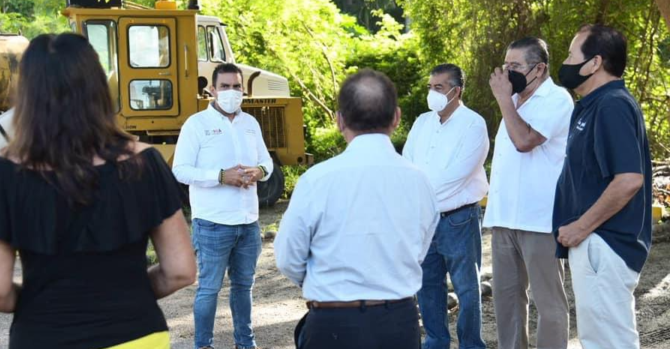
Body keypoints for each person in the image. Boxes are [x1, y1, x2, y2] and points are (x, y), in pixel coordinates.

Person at [0, 33, 197, 349]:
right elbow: (181, 272)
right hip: (137, 334)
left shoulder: (5, 172)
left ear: (28, 95)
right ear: (99, 89)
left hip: (43, 337)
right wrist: (128, 293)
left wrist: (37, 301)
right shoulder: (145, 162)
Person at [275, 69, 440, 349]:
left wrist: (324, 280)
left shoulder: (316, 180)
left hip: (332, 322)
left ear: (339, 120)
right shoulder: (420, 181)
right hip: (398, 322)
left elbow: (288, 257)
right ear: (396, 118)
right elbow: (419, 251)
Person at [553, 24, 651, 349]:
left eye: (571, 55)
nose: (565, 62)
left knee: (608, 343)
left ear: (594, 63)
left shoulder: (612, 105)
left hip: (603, 244)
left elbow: (629, 180)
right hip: (596, 245)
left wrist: (581, 227)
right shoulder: (596, 104)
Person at [173, 63, 273, 349]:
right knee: (209, 290)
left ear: (244, 89)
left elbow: (266, 162)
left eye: (236, 86)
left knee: (244, 287)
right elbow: (180, 170)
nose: (231, 92)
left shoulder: (250, 124)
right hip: (213, 223)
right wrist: (220, 176)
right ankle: (203, 345)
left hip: (247, 222)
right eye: (225, 86)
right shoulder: (196, 125)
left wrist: (259, 172)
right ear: (213, 90)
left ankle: (245, 343)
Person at [483, 37, 573, 349]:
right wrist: (509, 101)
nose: (507, 73)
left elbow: (525, 141)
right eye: (505, 66)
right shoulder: (516, 100)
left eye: (515, 67)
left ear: (540, 68)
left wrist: (503, 100)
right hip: (504, 219)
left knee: (548, 303)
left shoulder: (557, 99)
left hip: (540, 219)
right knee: (506, 302)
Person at [403, 63, 489, 349]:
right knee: (427, 287)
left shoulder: (473, 123)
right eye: (430, 87)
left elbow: (458, 174)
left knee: (467, 289)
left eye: (438, 88)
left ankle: (470, 344)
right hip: (423, 220)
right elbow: (407, 162)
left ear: (456, 91)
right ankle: (436, 341)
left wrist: (418, 194)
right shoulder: (422, 122)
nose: (432, 93)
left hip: (458, 219)